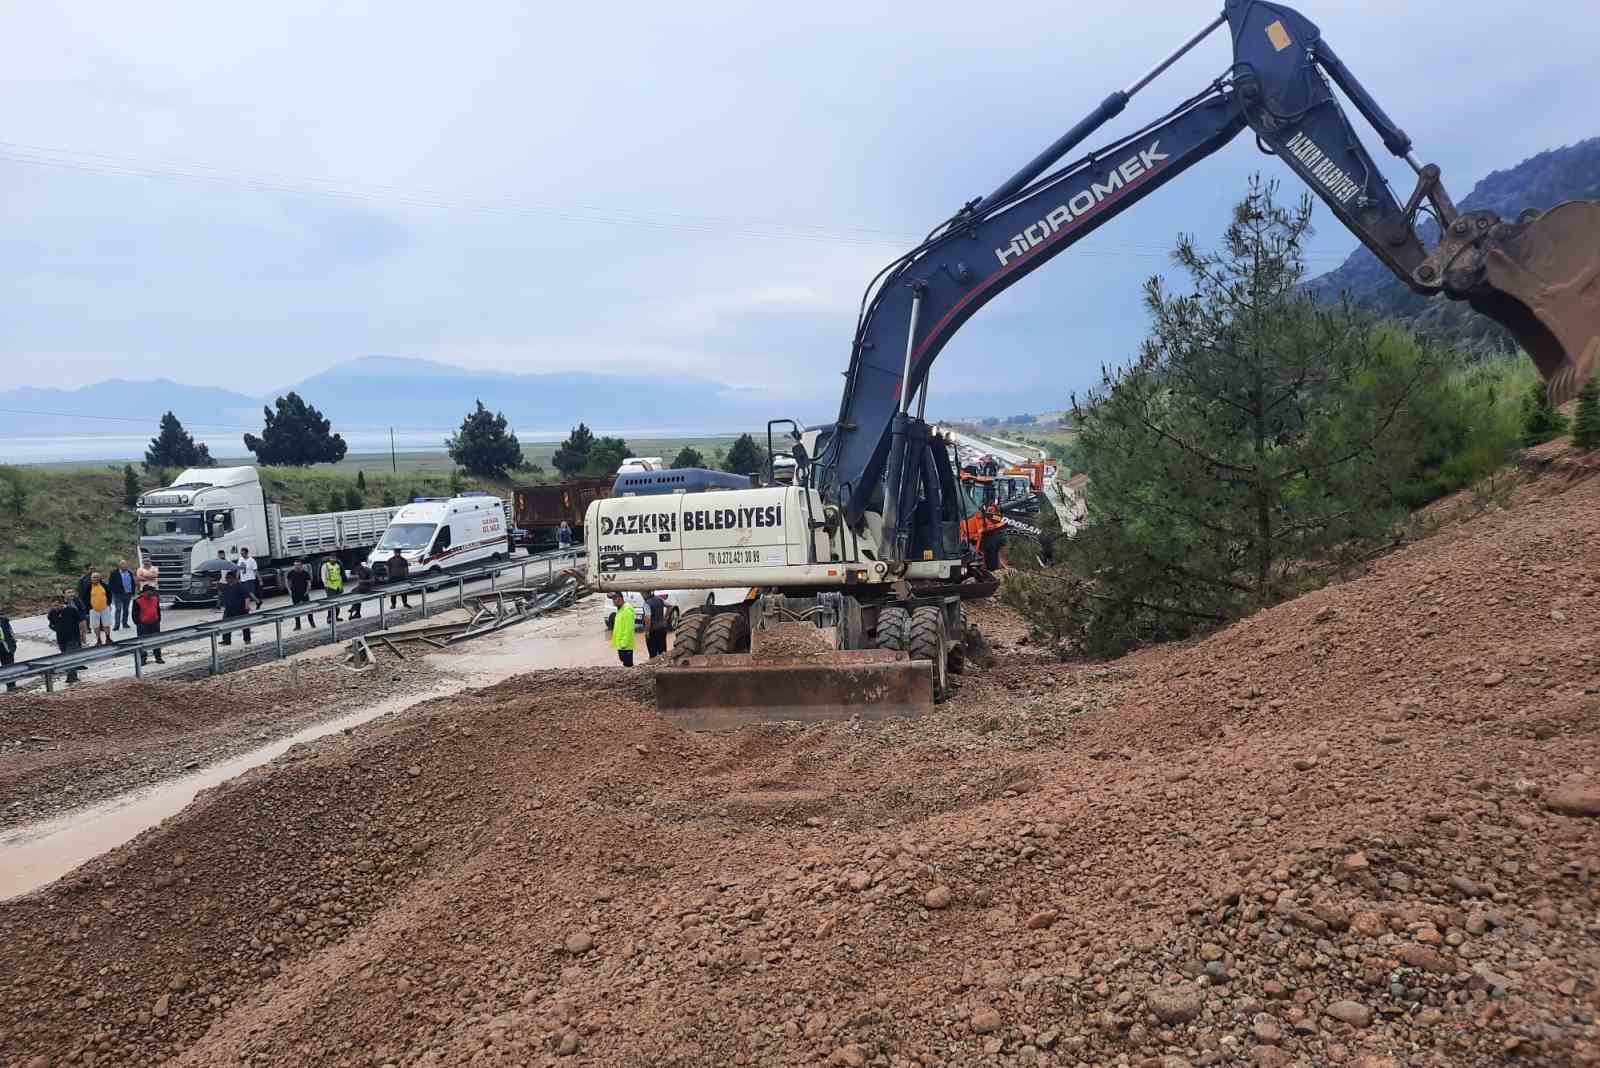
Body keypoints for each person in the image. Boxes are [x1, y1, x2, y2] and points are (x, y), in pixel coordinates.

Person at [46, 588, 85, 684]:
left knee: (70, 657)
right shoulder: (52, 613)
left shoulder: (71, 610)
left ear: (61, 603)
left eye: (56, 605)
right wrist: (56, 629)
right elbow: (51, 624)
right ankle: (72, 675)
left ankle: (71, 677)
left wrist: (83, 634)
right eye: (53, 606)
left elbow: (81, 621)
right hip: (61, 639)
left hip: (73, 637)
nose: (55, 607)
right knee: (65, 657)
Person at [131, 584, 166, 666]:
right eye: (151, 591)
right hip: (143, 625)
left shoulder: (155, 599)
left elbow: (158, 610)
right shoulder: (137, 600)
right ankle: (143, 659)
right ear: (145, 592)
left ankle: (158, 657)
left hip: (154, 623)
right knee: (142, 642)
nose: (152, 593)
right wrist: (139, 623)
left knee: (157, 641)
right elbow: (134, 614)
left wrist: (158, 619)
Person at [218, 570, 251, 645]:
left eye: (228, 577)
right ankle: (226, 640)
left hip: (241, 609)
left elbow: (247, 597)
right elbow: (223, 596)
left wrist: (247, 606)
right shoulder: (226, 587)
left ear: (233, 578)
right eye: (226, 578)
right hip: (229, 609)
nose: (227, 579)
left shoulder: (240, 586)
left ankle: (247, 639)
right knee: (226, 624)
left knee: (245, 624)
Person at [84, 570, 115, 646]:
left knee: (106, 624)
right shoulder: (88, 587)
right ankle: (98, 640)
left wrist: (108, 603)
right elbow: (84, 598)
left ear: (100, 578)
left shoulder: (104, 585)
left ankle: (108, 638)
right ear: (91, 578)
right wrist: (89, 607)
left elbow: (109, 594)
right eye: (94, 577)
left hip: (105, 608)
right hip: (93, 609)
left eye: (97, 577)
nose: (95, 579)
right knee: (95, 625)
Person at [287, 559, 316, 631]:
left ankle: (312, 623)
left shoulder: (305, 573)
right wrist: (289, 591)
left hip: (304, 593)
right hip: (295, 594)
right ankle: (298, 625)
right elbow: (288, 582)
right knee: (296, 610)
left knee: (309, 609)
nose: (296, 567)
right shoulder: (291, 573)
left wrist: (307, 591)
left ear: (301, 565)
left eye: (298, 565)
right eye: (295, 565)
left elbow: (309, 583)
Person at [609, 592, 636, 667]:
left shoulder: (627, 610)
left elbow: (629, 628)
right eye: (612, 599)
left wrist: (624, 643)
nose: (613, 601)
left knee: (628, 664)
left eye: (615, 598)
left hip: (625, 645)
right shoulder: (620, 609)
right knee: (624, 663)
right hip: (621, 644)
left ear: (621, 598)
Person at [110, 558, 137, 631]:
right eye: (122, 564)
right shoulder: (114, 573)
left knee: (126, 609)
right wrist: (113, 592)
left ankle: (125, 623)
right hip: (118, 594)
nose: (124, 566)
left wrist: (133, 592)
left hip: (128, 593)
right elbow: (111, 584)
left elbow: (133, 583)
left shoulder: (129, 573)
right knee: (118, 609)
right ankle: (117, 625)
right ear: (119, 565)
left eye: (125, 564)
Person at [642, 590, 669, 660]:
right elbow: (670, 606)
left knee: (653, 654)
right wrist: (666, 618)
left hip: (653, 630)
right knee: (663, 651)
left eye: (642, 593)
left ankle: (654, 668)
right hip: (662, 629)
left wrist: (647, 632)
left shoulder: (646, 603)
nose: (642, 595)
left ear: (646, 593)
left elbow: (648, 618)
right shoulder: (659, 599)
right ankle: (664, 667)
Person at [321, 558, 344, 623]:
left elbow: (339, 576)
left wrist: (341, 586)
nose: (333, 560)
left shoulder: (337, 565)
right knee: (331, 603)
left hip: (338, 586)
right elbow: (323, 576)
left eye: (334, 558)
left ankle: (336, 617)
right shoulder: (325, 566)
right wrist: (326, 586)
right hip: (330, 587)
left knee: (338, 603)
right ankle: (329, 618)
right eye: (332, 558)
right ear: (329, 559)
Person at [0, 610, 17, 691]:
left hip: (6, 647)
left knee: (9, 666)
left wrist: (13, 645)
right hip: (5, 647)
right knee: (8, 666)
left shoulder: (4, 620)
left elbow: (11, 633)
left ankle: (11, 686)